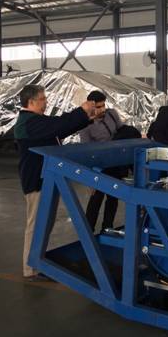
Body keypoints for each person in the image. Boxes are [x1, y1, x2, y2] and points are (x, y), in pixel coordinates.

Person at [14, 84, 95, 281]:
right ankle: (30, 268)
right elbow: (58, 125)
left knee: (44, 224)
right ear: (31, 102)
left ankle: (38, 262)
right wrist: (81, 111)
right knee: (36, 225)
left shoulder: (36, 123)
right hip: (36, 181)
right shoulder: (29, 122)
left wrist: (86, 117)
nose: (46, 102)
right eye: (43, 99)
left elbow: (60, 129)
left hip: (46, 179)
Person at [79, 91, 123, 233]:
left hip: (115, 163)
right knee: (96, 199)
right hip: (99, 166)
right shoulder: (86, 125)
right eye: (98, 107)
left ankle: (107, 228)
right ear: (91, 106)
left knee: (113, 198)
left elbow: (121, 131)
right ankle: (88, 230)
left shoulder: (112, 114)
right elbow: (86, 151)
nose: (102, 109)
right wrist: (90, 176)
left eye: (103, 105)